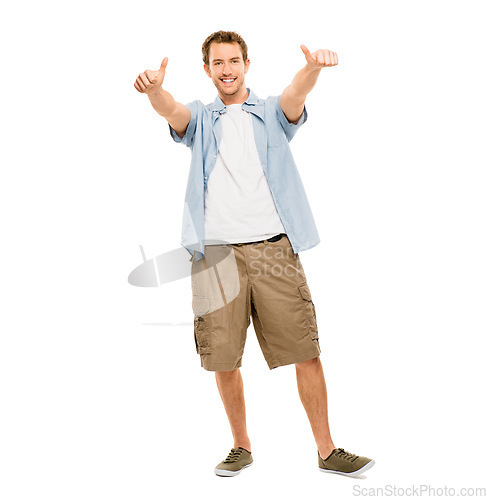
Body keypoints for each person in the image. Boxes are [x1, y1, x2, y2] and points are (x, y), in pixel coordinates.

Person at [134, 30, 374, 477]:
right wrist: (155, 90)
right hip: (216, 255)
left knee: (306, 349)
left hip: (273, 250)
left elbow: (296, 94)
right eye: (218, 63)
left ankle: (327, 450)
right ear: (207, 70)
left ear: (247, 64)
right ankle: (241, 446)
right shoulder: (202, 119)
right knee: (223, 356)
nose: (226, 70)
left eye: (234, 61)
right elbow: (171, 110)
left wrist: (313, 69)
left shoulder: (270, 112)